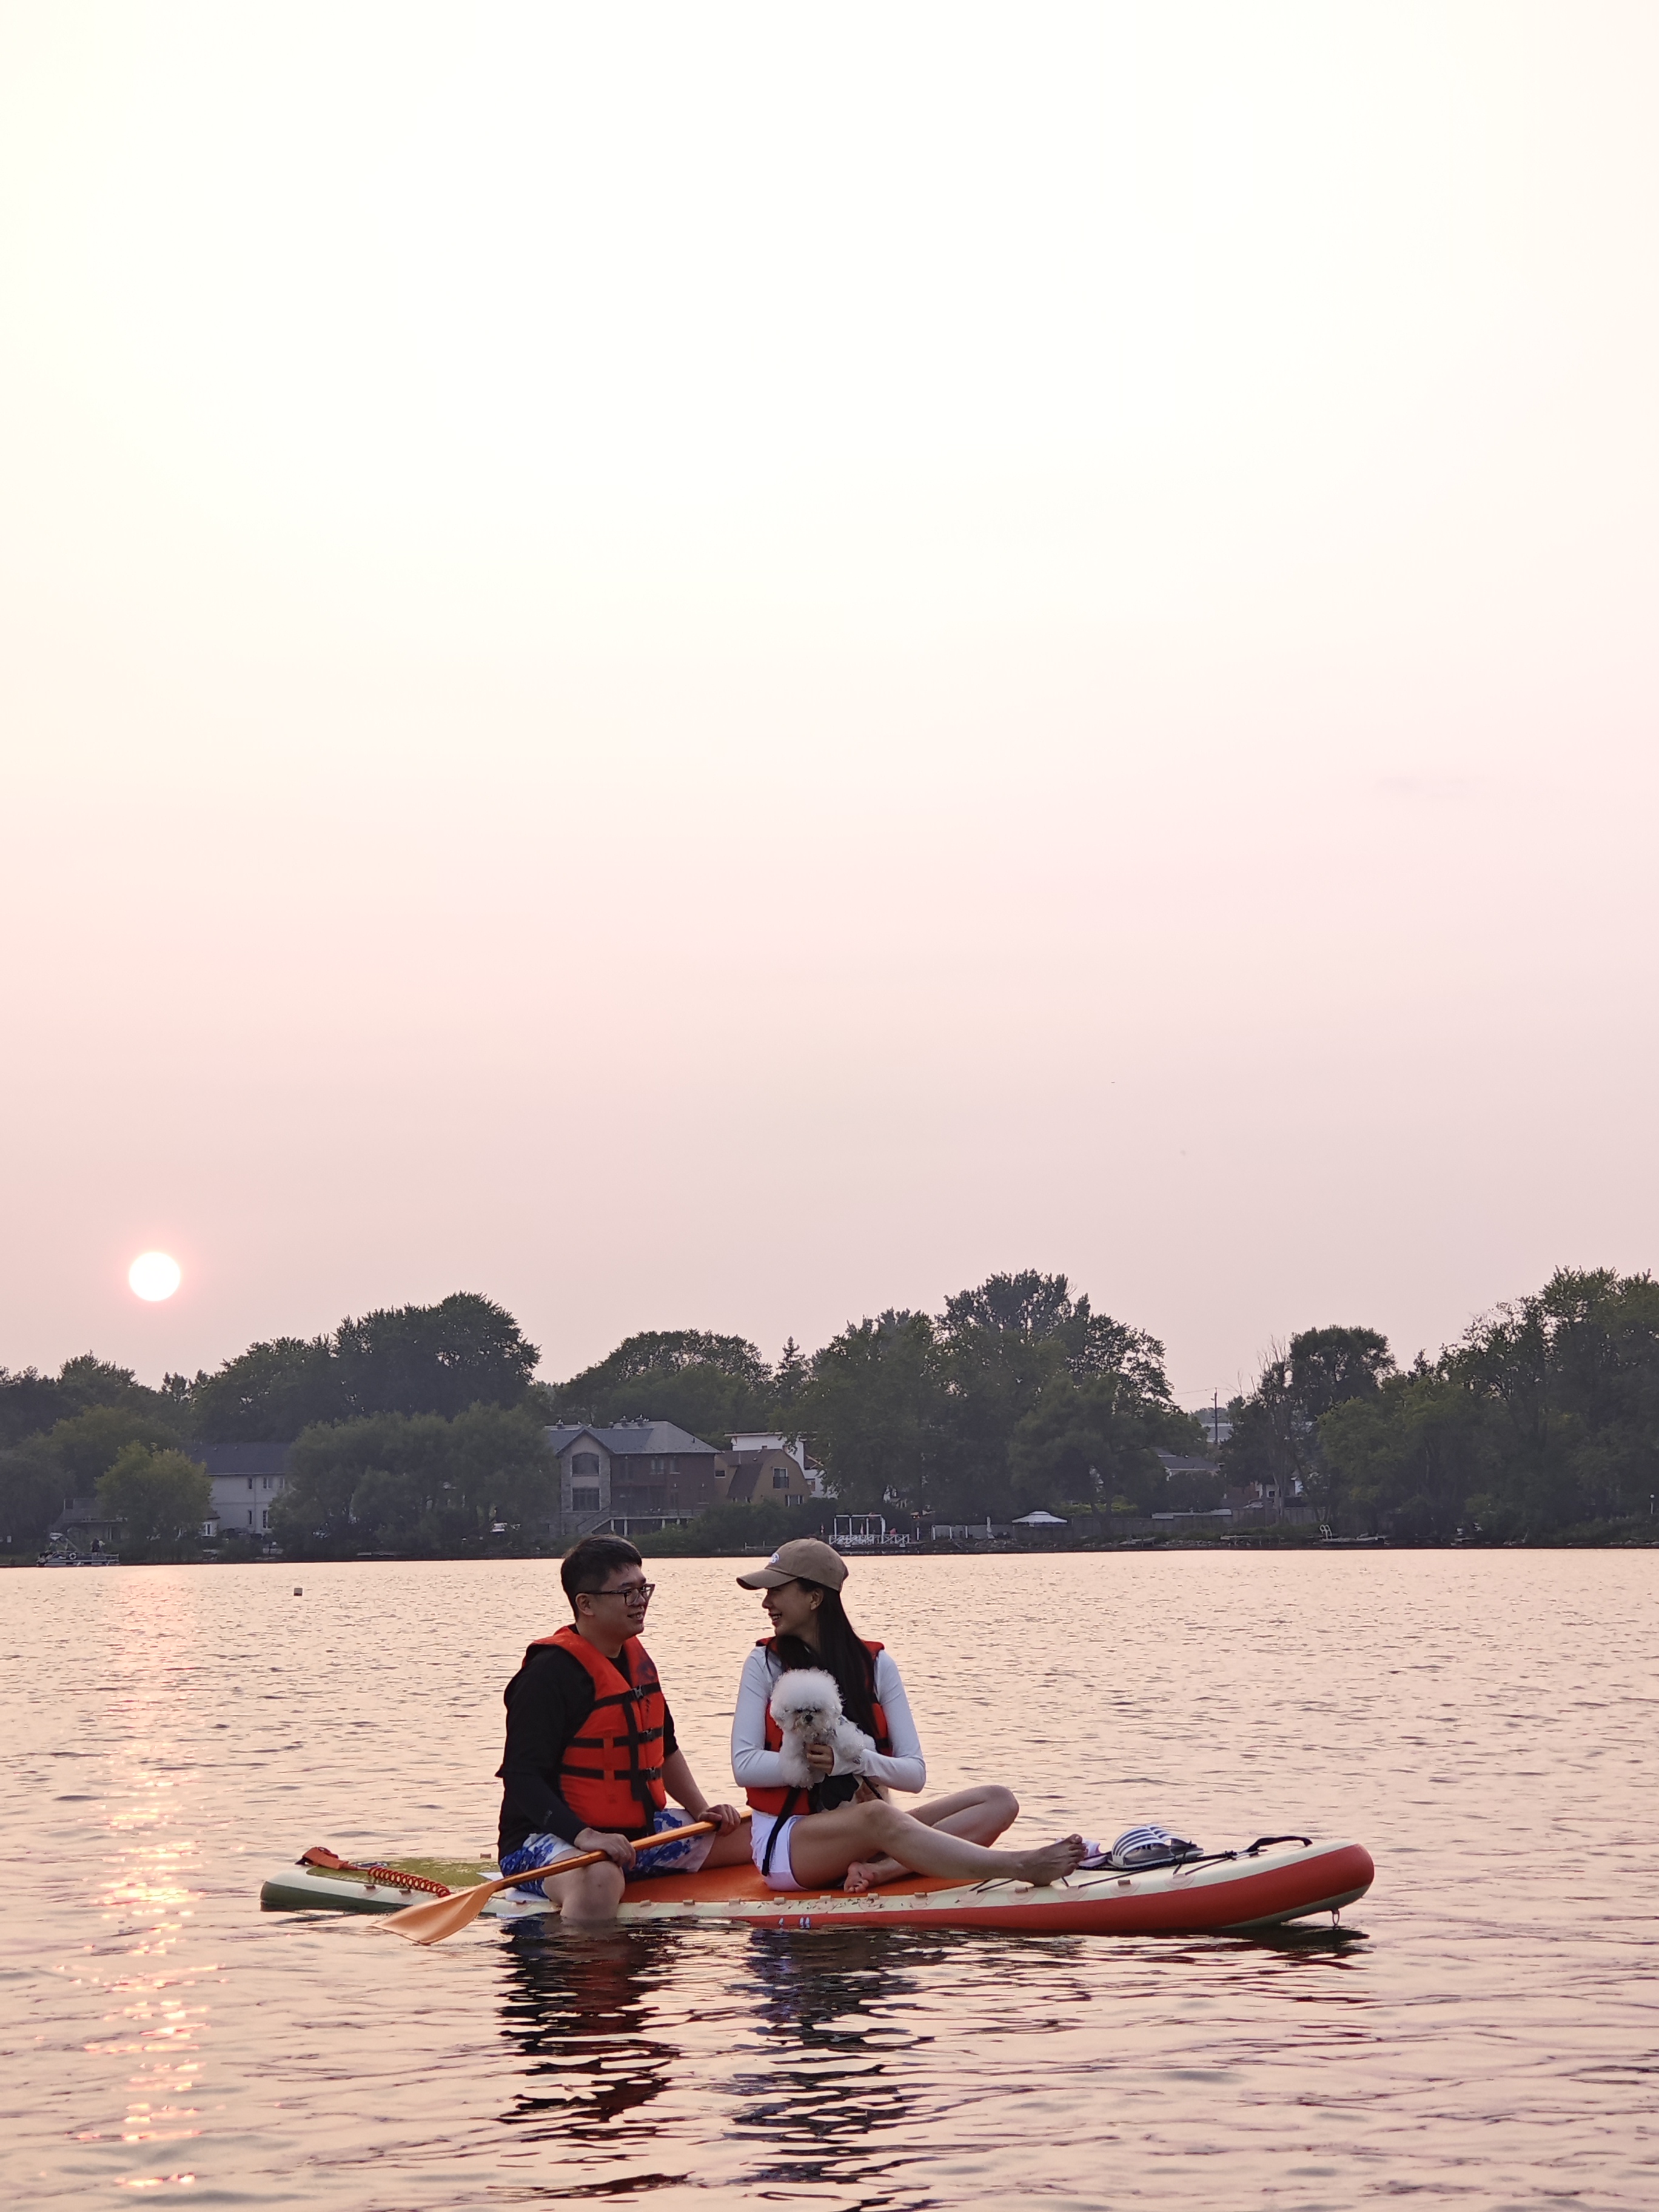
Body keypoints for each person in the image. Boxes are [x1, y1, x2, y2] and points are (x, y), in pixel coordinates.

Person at [730, 1537, 1084, 1894]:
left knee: (998, 1800)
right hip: (788, 1846)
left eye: (777, 1590)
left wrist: (853, 1761)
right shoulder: (762, 1664)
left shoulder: (878, 1665)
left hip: (864, 1829)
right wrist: (816, 1763)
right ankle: (1019, 1866)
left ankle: (882, 1871)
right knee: (878, 1816)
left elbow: (914, 1775)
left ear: (815, 1598)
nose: (766, 1602)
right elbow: (744, 1765)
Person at [497, 1535, 748, 1924]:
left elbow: (664, 1748)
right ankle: (581, 1954)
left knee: (759, 1837)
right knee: (600, 1878)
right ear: (586, 1604)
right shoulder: (547, 1676)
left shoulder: (635, 1663)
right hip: (545, 1838)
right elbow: (521, 1778)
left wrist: (700, 1810)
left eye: (644, 1589)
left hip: (638, 1834)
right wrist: (585, 1837)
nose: (640, 1601)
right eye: (627, 1592)